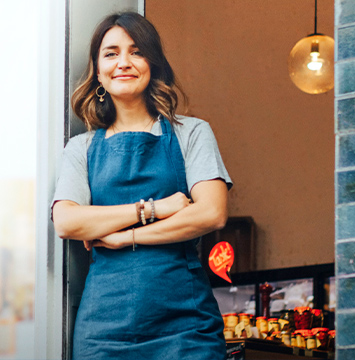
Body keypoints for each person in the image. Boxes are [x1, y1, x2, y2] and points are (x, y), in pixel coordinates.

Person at [51, 12, 232, 360]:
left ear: (153, 64)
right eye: (111, 53)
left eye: (136, 52)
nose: (124, 62)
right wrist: (153, 209)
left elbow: (211, 213)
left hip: (185, 324)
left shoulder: (191, 133)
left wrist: (125, 236)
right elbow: (67, 222)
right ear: (98, 71)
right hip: (104, 330)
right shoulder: (81, 149)